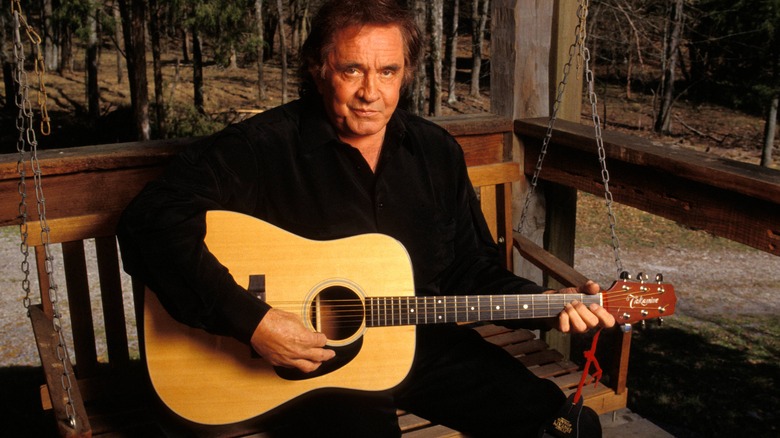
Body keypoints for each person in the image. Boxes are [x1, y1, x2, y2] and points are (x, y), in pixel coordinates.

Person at [117, 0, 615, 436]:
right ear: (318, 68)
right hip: (308, 369)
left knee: (562, 427)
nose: (370, 92)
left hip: (421, 342)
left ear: (407, 72)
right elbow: (149, 220)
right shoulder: (261, 148)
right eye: (352, 69)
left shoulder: (435, 153)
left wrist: (545, 303)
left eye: (388, 72)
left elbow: (471, 269)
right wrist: (254, 322)